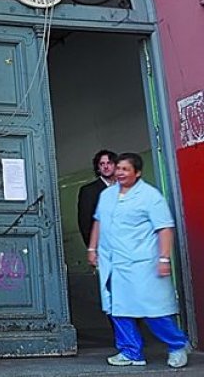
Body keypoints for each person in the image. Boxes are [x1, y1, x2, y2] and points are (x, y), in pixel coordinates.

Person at [87, 152, 189, 368]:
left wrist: (164, 259)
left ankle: (178, 345)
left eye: (126, 169)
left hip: (142, 263)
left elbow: (165, 228)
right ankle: (131, 352)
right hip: (113, 262)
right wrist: (92, 248)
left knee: (152, 310)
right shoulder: (107, 195)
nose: (121, 172)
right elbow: (98, 222)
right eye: (119, 168)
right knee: (117, 309)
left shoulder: (150, 196)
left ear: (138, 172)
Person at [77, 150, 117, 247]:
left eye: (109, 163)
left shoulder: (125, 187)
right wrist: (93, 248)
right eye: (102, 164)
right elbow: (85, 223)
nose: (106, 167)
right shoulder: (88, 191)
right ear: (98, 168)